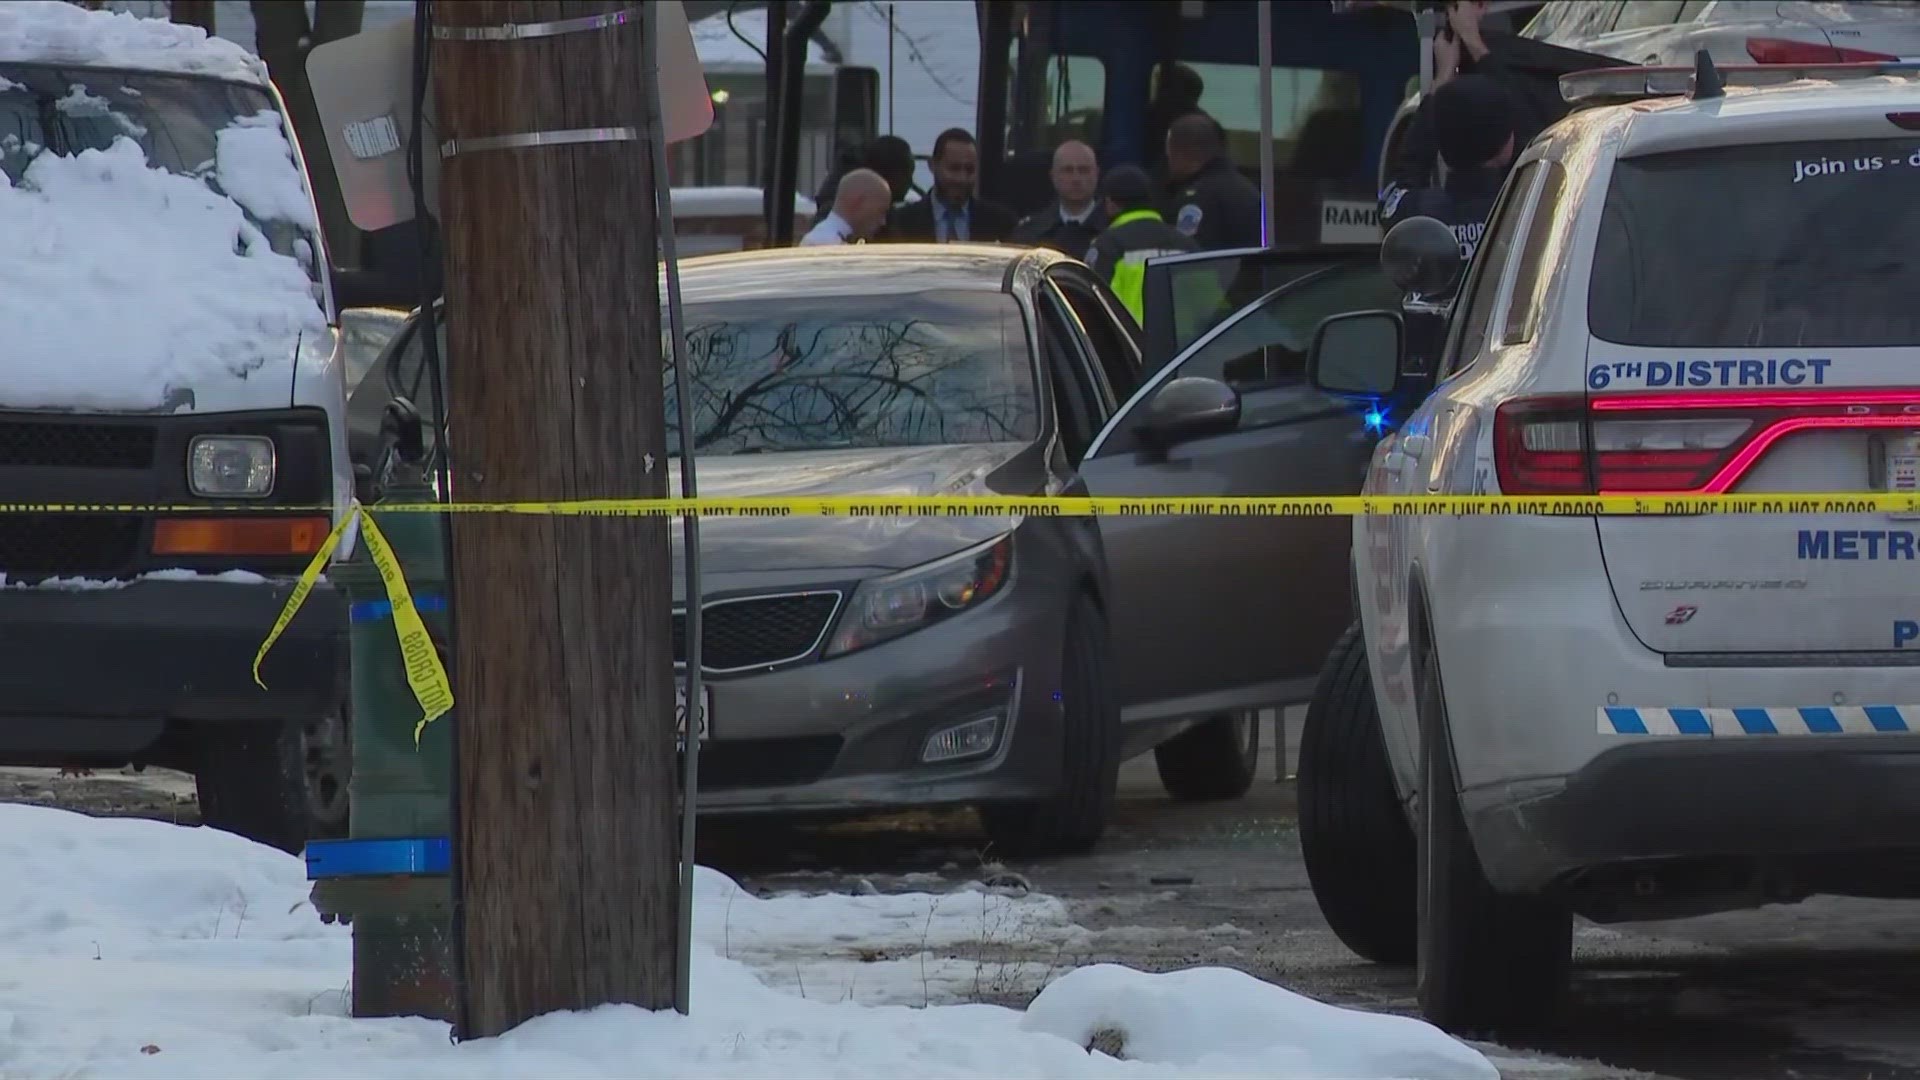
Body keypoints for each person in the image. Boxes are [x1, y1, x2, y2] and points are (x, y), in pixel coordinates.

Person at [1379, 72, 1514, 268]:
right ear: (1506, 146)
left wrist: (1441, 79)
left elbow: (1406, 172)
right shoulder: (1521, 211)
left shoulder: (1417, 213)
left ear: (1439, 144)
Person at [1084, 164, 1196, 324]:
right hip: (1186, 346)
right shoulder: (1186, 244)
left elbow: (1091, 305)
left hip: (1129, 344)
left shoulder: (1107, 246)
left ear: (1110, 203)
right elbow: (1209, 304)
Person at [886, 128, 1017, 243]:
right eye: (954, 168)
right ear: (933, 166)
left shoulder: (1000, 222)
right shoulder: (902, 221)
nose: (962, 179)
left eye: (969, 170)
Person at [1162, 112, 1262, 251]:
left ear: (1183, 153)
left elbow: (1186, 256)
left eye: (1170, 154)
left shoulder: (1196, 197)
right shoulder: (1247, 189)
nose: (1169, 162)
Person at [1009, 140, 1108, 260]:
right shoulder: (1030, 232)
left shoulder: (1115, 230)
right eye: (1068, 170)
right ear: (1053, 176)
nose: (1076, 179)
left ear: (1097, 174)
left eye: (1084, 170)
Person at [799, 168, 891, 246]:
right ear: (856, 202)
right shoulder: (822, 242)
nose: (883, 222)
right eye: (880, 211)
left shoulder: (824, 239)